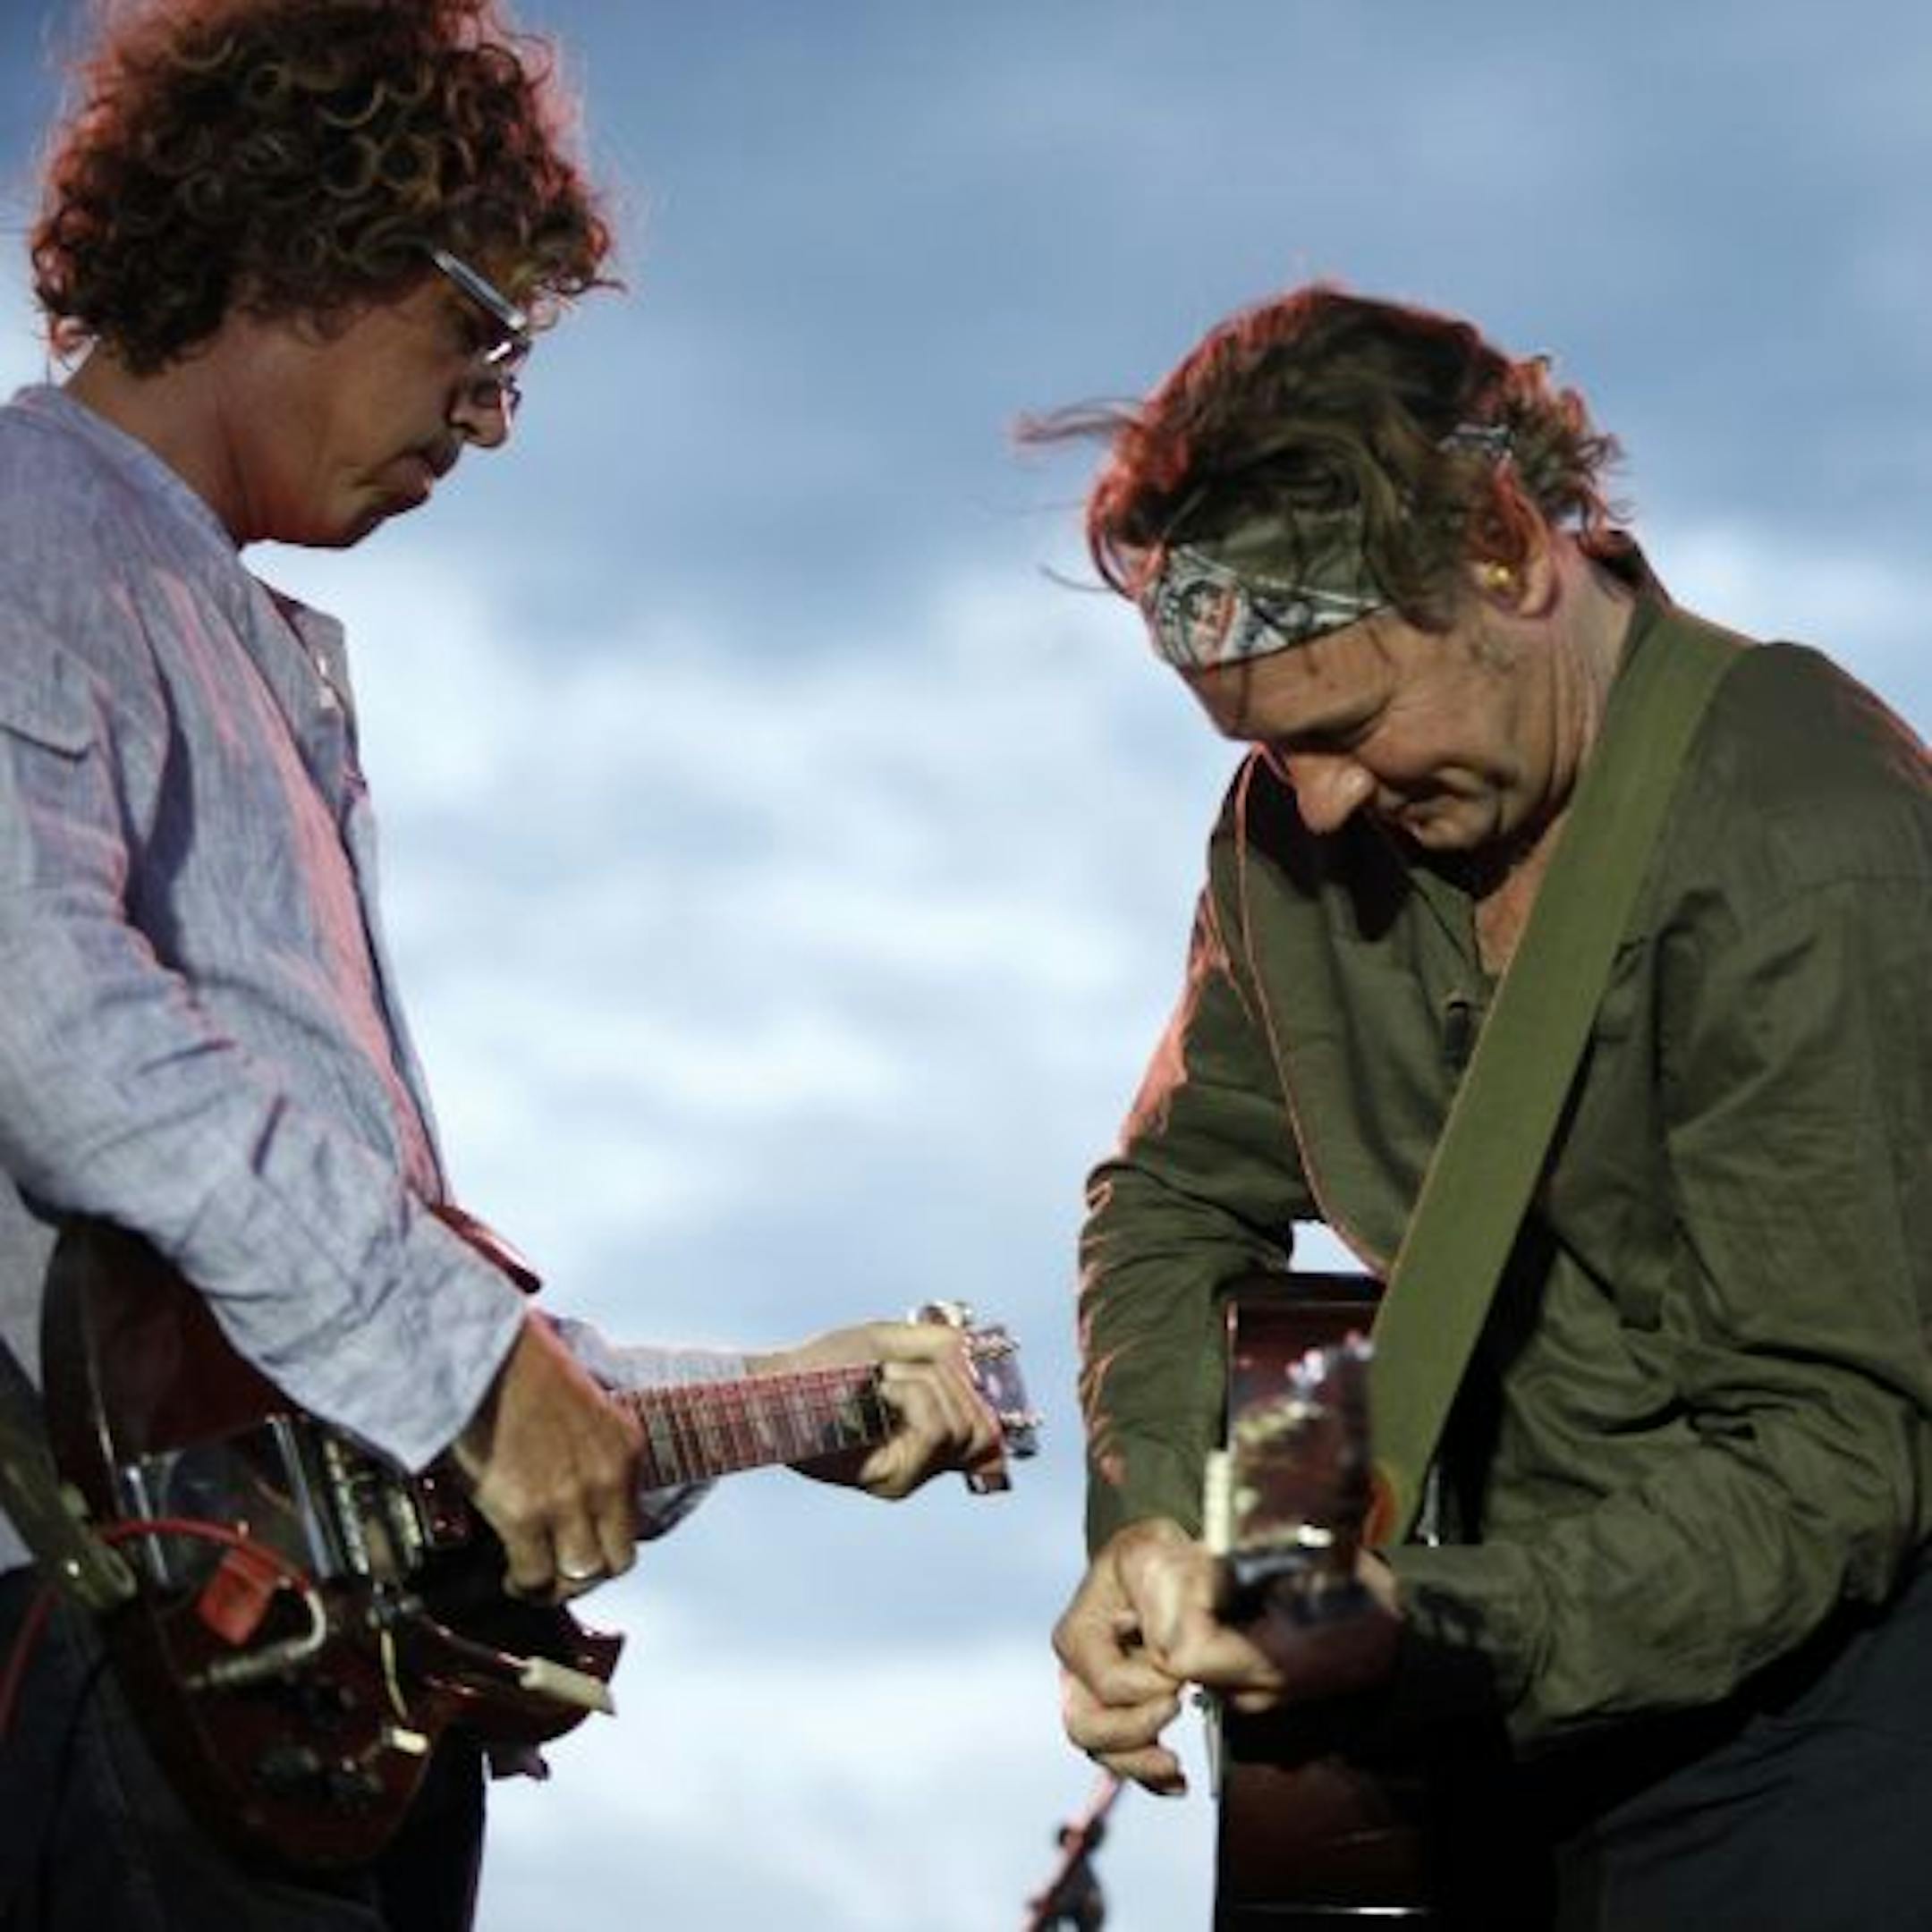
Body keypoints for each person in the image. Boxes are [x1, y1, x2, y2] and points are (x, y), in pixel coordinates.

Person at [0, 4, 1004, 1928]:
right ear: (308, 245)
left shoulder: (205, 617)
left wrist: (767, 1398)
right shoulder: (35, 527)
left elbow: (313, 1335)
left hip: (273, 1703)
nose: (489, 415)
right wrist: (474, 1367)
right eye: (481, 333)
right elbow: (48, 1022)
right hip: (125, 1677)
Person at [1038, 285, 1931, 1927]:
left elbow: (1830, 1455)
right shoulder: (1292, 830)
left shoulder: (1805, 842)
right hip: (1476, 1730)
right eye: (1263, 744)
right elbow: (1171, 1198)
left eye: (1350, 725)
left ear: (1508, 556)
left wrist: (1434, 1627)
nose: (1310, 798)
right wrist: (1164, 1524)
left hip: (1817, 1737)